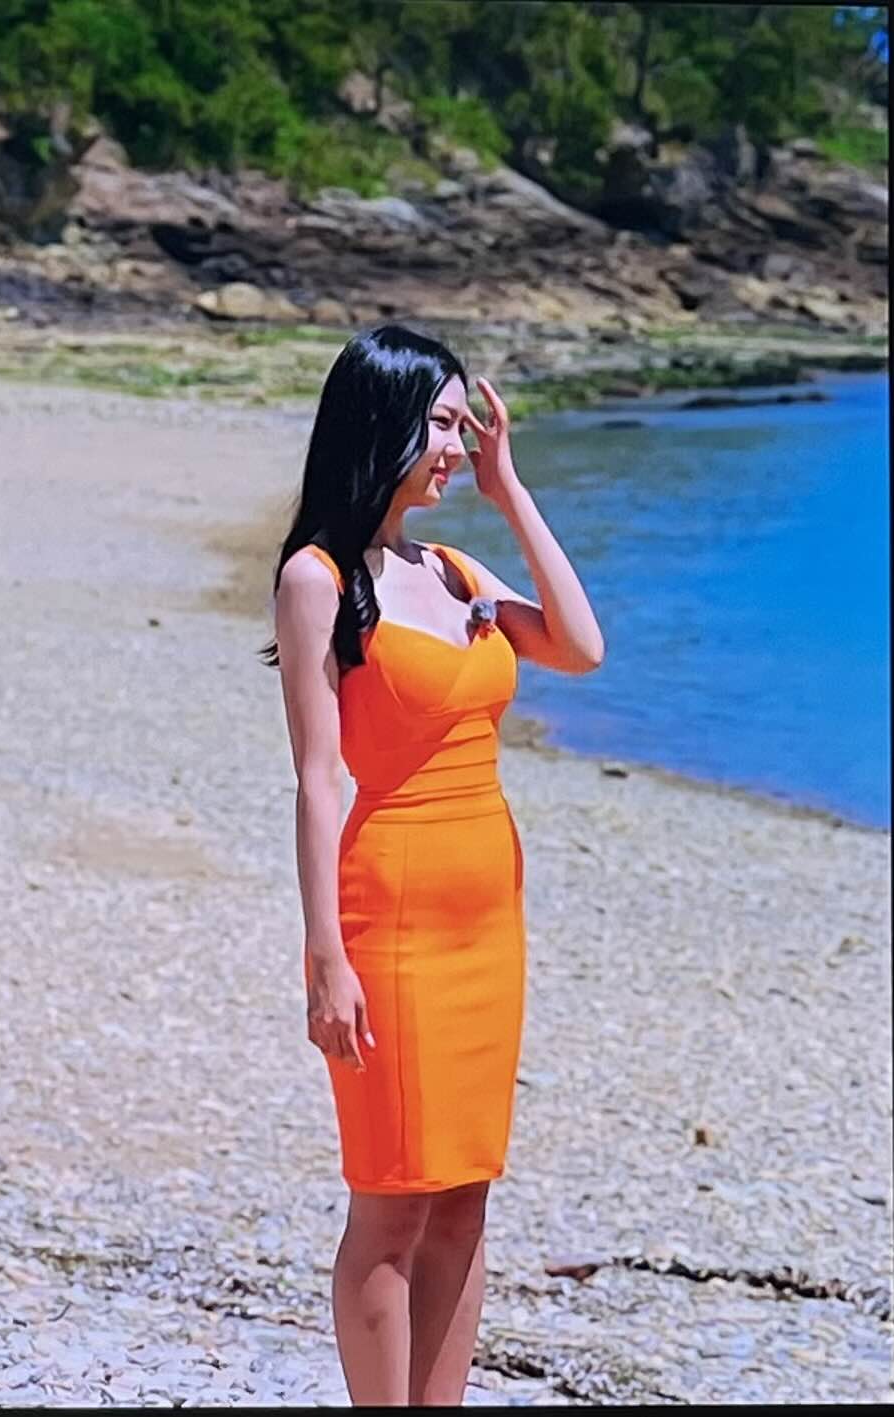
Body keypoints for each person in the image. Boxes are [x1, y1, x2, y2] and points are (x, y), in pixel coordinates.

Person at [268, 325, 605, 1406]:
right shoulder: (316, 579)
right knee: (392, 1197)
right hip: (392, 913)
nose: (457, 447)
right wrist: (324, 956)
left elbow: (579, 646)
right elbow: (316, 778)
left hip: (486, 918)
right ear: (384, 421)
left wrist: (511, 493)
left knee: (463, 1194)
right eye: (444, 425)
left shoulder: (453, 569)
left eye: (464, 427)